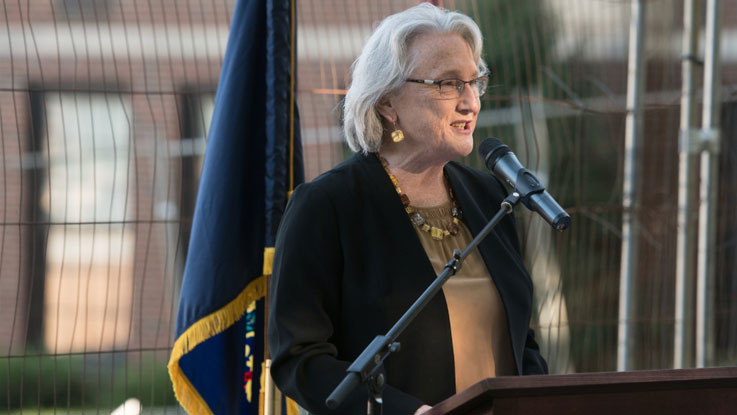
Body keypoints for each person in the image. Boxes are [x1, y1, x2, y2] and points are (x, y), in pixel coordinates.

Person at [268, 3, 548, 414]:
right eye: (449, 84)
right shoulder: (328, 207)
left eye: (475, 82)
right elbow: (301, 360)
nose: (470, 102)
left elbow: (523, 341)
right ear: (387, 104)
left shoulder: (491, 198)